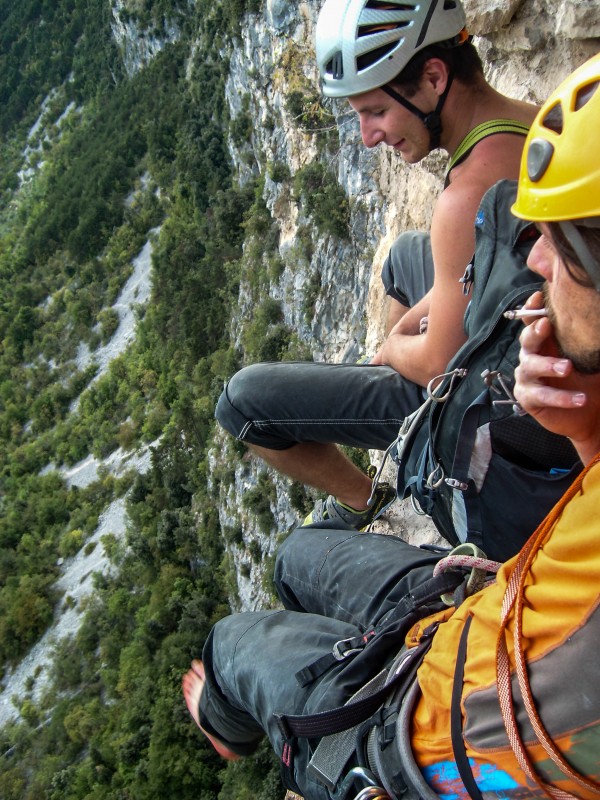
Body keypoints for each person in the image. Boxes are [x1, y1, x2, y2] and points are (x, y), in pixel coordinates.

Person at [184, 55, 600, 799]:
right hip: (478, 612)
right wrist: (583, 430)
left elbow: (439, 755)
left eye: (562, 249)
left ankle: (224, 720)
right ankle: (363, 516)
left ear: (434, 79)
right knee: (295, 555)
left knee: (228, 647)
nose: (534, 257)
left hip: (422, 721)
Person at [215, 0, 539, 530]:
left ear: (434, 77)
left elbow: (439, 365)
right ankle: (395, 405)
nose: (367, 136)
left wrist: (392, 350)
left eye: (375, 112)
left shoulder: (465, 199)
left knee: (242, 404)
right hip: (511, 334)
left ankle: (375, 493)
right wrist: (426, 314)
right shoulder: (532, 122)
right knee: (404, 256)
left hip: (476, 396)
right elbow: (494, 262)